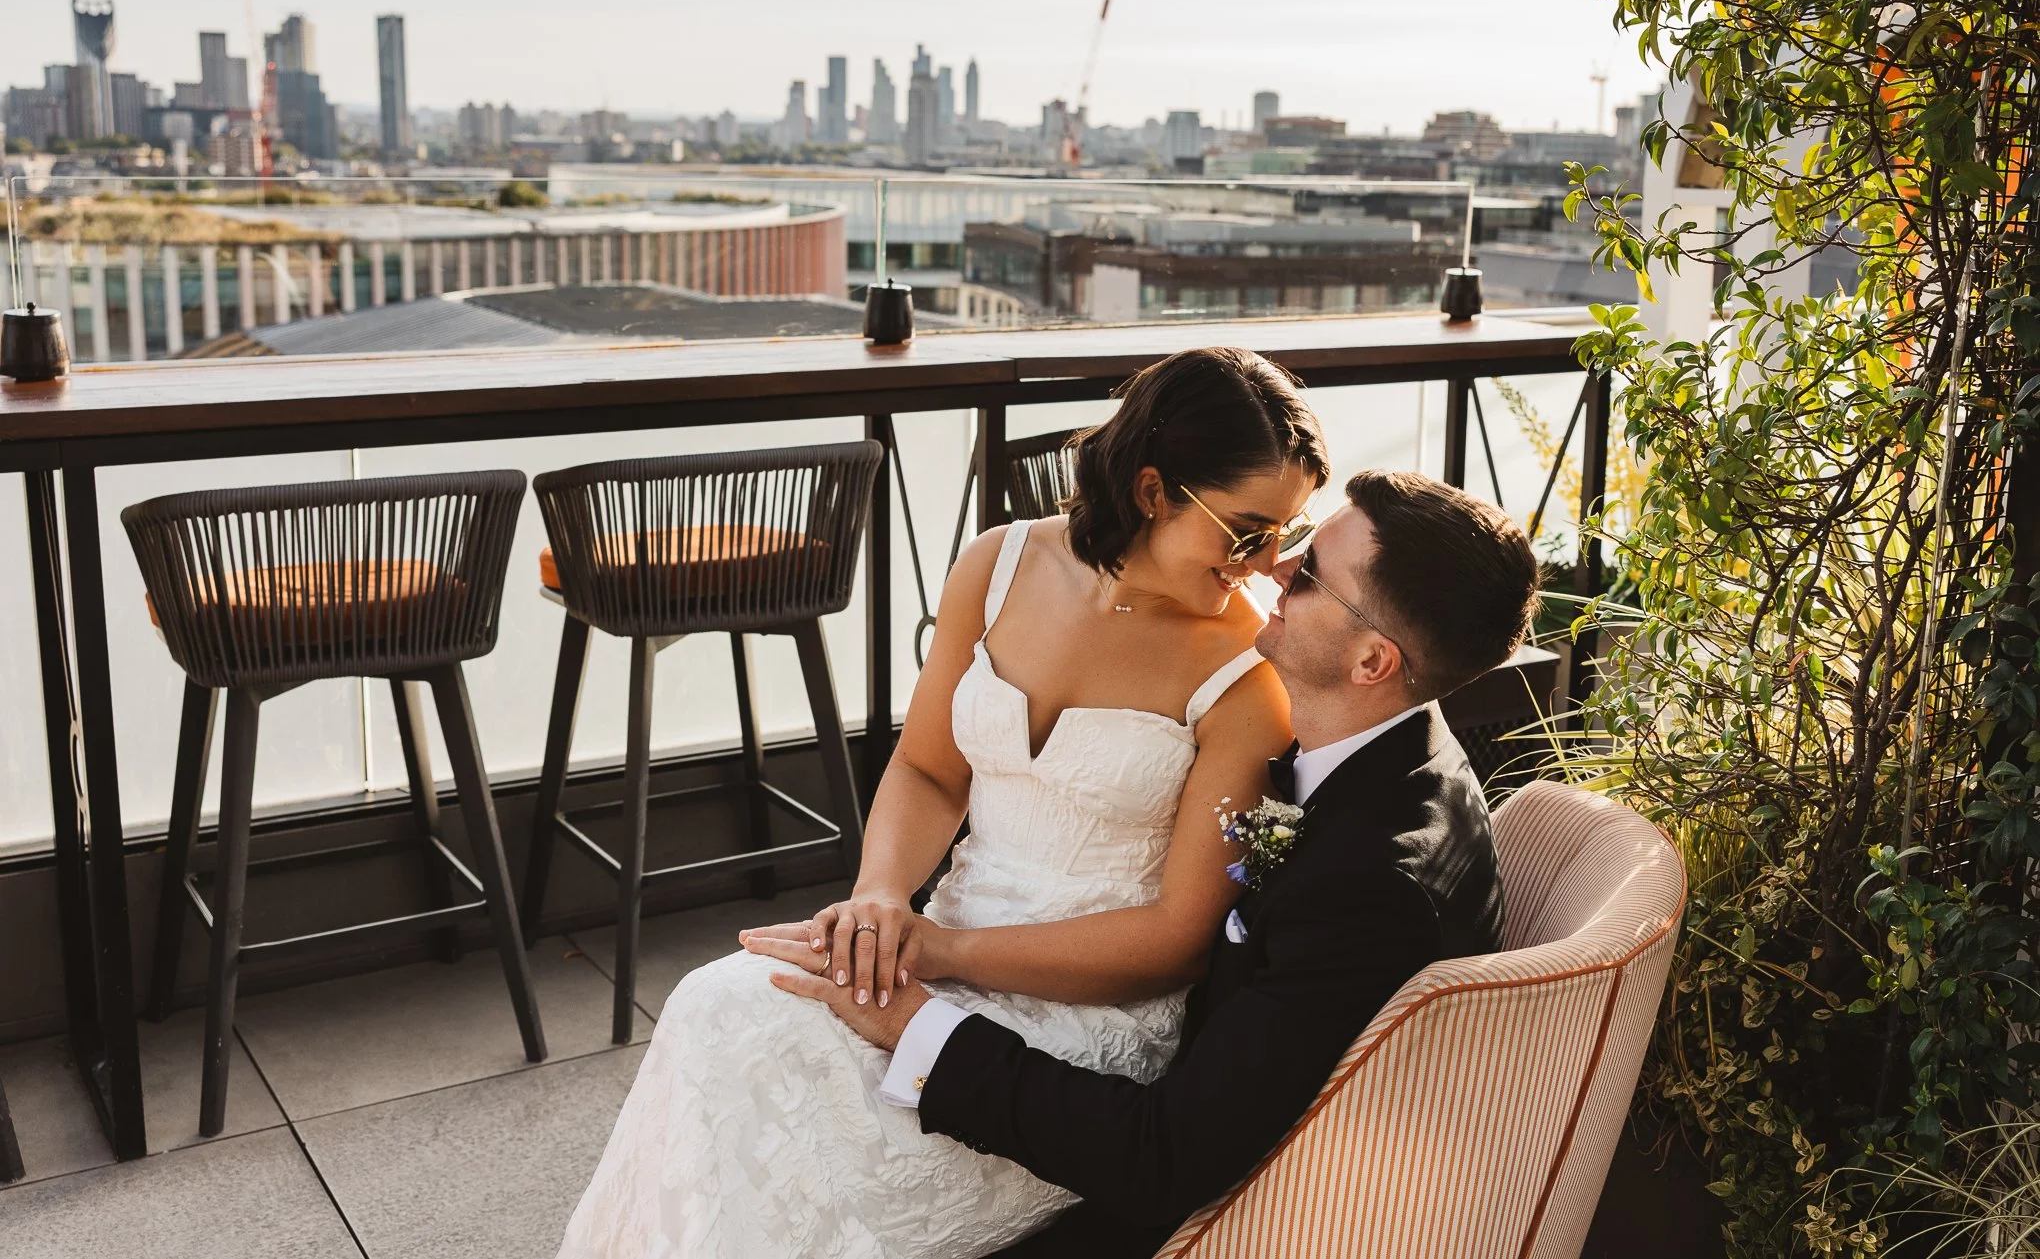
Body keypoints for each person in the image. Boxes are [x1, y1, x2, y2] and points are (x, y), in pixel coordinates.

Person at [555, 346, 1330, 1259]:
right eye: (1246, 532)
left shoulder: (1247, 677)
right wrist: (883, 896)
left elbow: (1173, 939)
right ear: (1155, 491)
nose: (1271, 565)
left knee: (789, 1090)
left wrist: (941, 950)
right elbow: (927, 770)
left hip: (1088, 1011)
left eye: (1290, 531)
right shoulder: (997, 565)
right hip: (944, 937)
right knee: (715, 1007)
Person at [767, 466, 1539, 1258]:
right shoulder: (1392, 755)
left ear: (1373, 661)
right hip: (1149, 1084)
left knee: (785, 1130)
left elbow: (1161, 1160)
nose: (1271, 564)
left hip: (1197, 1219)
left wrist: (920, 1026)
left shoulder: (1371, 888)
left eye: (1306, 571)